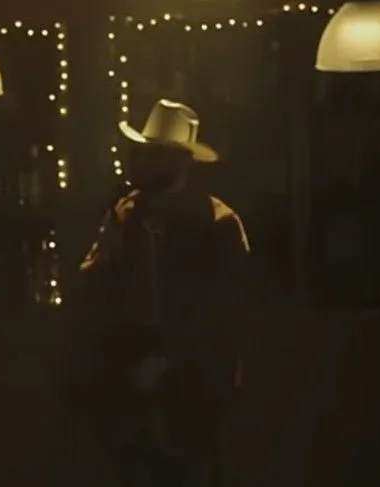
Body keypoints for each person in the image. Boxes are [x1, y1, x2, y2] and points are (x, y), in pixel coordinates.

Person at [67, 99, 249, 487]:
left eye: (156, 156)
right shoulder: (127, 213)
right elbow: (93, 280)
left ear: (182, 162)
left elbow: (221, 312)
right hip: (130, 360)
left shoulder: (219, 224)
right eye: (143, 154)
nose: (143, 164)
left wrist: (168, 359)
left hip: (196, 371)